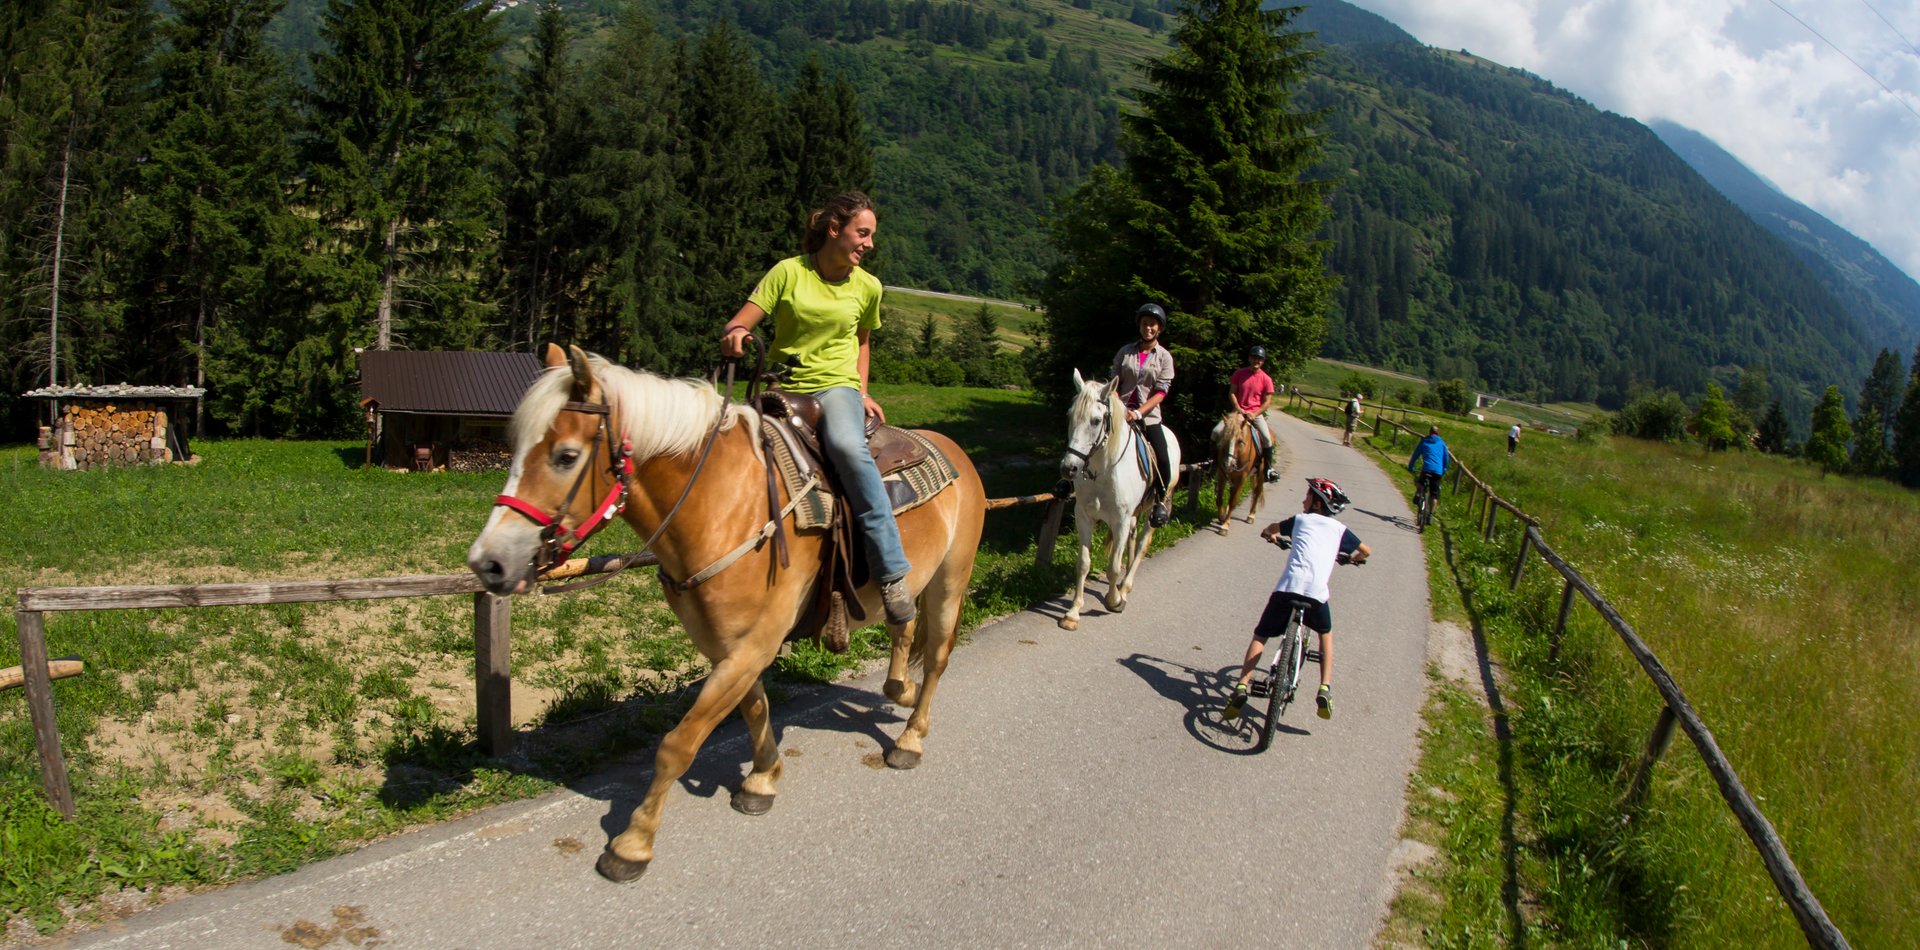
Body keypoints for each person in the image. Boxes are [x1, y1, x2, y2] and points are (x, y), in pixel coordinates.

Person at [721, 191, 915, 626]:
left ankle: (891, 570)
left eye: (871, 236)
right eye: (862, 233)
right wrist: (735, 334)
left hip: (835, 388)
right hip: (783, 386)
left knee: (847, 448)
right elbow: (741, 320)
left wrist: (862, 392)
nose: (869, 243)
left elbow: (863, 342)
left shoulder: (868, 286)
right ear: (834, 230)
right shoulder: (788, 272)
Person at [1222, 477, 1370, 722]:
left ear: (1318, 504)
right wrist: (1350, 558)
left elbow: (1270, 528)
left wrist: (1271, 537)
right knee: (1326, 634)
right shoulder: (1339, 530)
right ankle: (1324, 687)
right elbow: (1366, 551)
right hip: (1316, 596)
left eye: (1308, 496)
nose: (1304, 499)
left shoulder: (1299, 521)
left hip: (1287, 589)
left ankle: (1241, 685)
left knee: (1261, 635)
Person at [1113, 303, 1176, 528]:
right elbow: (1114, 382)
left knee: (1163, 457)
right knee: (1089, 438)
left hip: (1148, 416)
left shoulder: (1164, 357)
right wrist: (1119, 407)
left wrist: (1139, 412)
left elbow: (1161, 392)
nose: (1148, 327)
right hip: (1120, 412)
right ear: (1139, 325)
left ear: (1159, 328)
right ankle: (1071, 483)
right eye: (1144, 323)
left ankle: (1160, 500)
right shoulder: (1125, 351)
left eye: (1152, 324)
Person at [1228, 345, 1279, 482]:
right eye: (1254, 357)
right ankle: (1212, 462)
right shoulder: (1239, 373)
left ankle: (1268, 469)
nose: (1257, 360)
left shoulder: (1266, 379)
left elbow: (1267, 401)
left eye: (1260, 359)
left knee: (1267, 439)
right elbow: (1232, 392)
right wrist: (1238, 408)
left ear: (1263, 361)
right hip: (1239, 412)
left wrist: (1255, 414)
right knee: (1217, 431)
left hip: (1255, 414)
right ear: (1250, 358)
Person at [1407, 424, 1450, 516]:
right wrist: (1444, 469)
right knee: (1434, 495)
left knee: (1420, 482)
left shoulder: (1424, 441)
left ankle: (1419, 493)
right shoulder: (1442, 444)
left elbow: (1416, 454)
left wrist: (1411, 466)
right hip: (1438, 472)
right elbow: (1446, 458)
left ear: (1429, 432)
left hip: (1426, 469)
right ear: (1438, 433)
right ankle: (1430, 515)